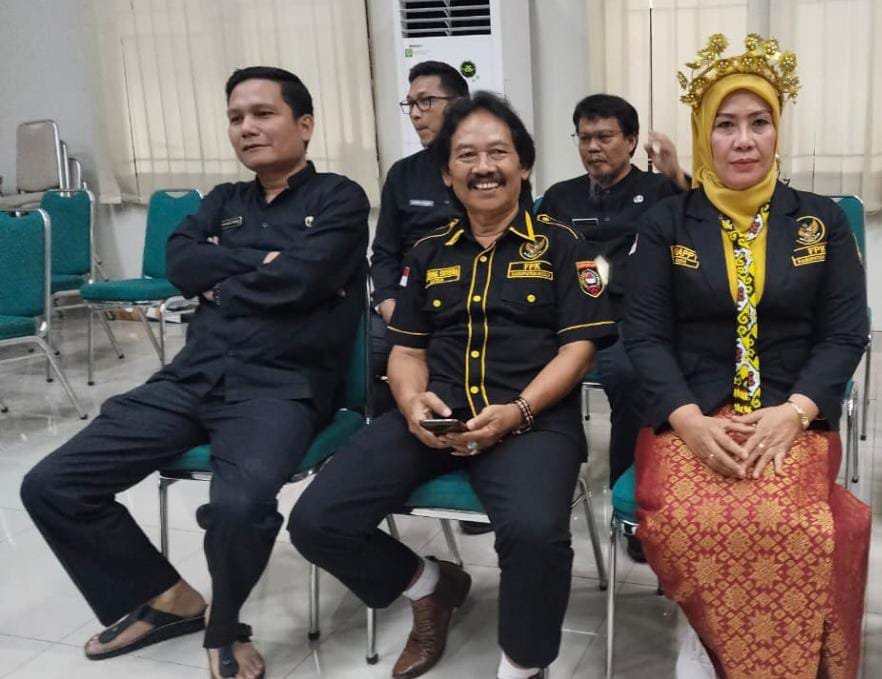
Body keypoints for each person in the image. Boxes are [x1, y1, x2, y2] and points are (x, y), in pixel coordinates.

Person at [19, 66, 369, 679]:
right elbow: (179, 263)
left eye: (263, 113)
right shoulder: (223, 201)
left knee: (239, 506)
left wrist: (223, 278)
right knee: (52, 485)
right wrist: (258, 265)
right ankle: (169, 599)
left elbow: (304, 278)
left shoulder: (339, 198)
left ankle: (224, 625)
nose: (247, 127)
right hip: (192, 376)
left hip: (281, 387)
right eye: (236, 118)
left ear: (304, 125)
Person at [290, 91, 615, 679]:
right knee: (316, 520)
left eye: (498, 152)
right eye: (466, 155)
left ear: (524, 164)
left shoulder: (566, 247)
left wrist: (518, 410)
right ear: (447, 172)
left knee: (535, 536)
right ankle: (430, 586)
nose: (483, 167)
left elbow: (579, 351)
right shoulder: (428, 252)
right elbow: (406, 350)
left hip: (533, 420)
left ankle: (523, 665)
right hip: (434, 415)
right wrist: (412, 401)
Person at [624, 33, 871, 677]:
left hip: (791, 409)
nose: (743, 141)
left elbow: (846, 332)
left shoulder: (819, 222)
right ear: (703, 134)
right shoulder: (667, 223)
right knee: (685, 518)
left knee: (793, 523)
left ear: (777, 130)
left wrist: (795, 412)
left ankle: (738, 653)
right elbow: (643, 333)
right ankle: (710, 631)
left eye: (759, 123)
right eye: (726, 124)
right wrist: (687, 420)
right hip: (691, 411)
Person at [536, 94, 688, 560]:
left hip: (631, 314)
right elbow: (538, 256)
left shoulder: (659, 191)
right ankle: (534, 482)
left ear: (631, 141)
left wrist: (677, 176)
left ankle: (630, 502)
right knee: (515, 360)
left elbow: (700, 224)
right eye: (585, 138)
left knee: (631, 376)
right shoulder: (560, 197)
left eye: (604, 137)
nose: (593, 148)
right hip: (570, 313)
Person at [370, 60, 469, 415]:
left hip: (470, 303)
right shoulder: (403, 174)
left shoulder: (485, 170)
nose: (414, 114)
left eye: (425, 101)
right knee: (364, 353)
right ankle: (400, 418)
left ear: (458, 105)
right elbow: (384, 252)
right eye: (410, 104)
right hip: (408, 301)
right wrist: (388, 302)